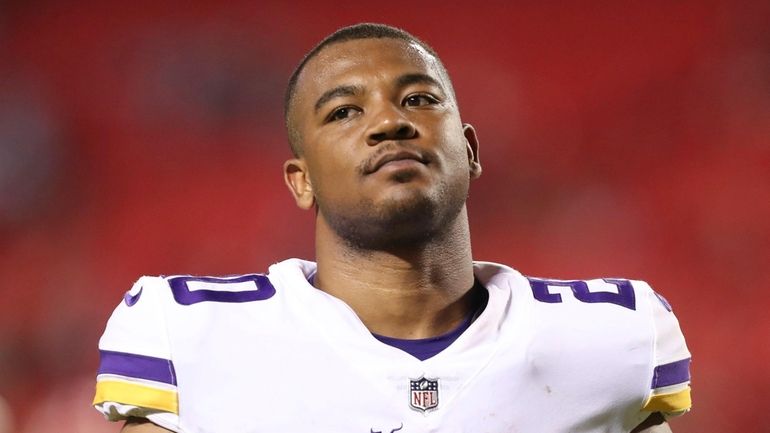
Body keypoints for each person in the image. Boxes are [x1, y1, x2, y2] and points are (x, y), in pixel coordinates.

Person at [92, 23, 692, 433]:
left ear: (471, 148)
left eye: (420, 100)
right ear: (301, 181)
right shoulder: (190, 336)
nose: (388, 122)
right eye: (344, 111)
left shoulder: (607, 343)